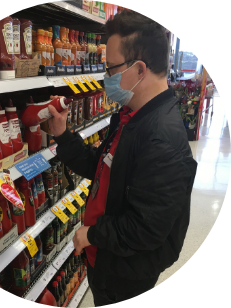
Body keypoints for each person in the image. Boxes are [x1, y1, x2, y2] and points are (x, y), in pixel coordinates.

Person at [47, 10, 198, 306]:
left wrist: (91, 234)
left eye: (111, 69)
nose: (105, 78)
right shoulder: (132, 116)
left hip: (125, 274)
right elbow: (102, 167)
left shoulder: (162, 139)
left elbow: (147, 229)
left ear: (139, 69)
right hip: (108, 257)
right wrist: (64, 136)